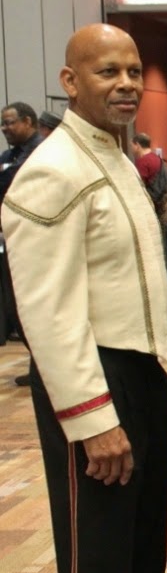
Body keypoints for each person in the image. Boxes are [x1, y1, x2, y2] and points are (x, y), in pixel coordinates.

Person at [0, 24, 167, 573]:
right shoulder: (54, 169)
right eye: (107, 71)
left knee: (139, 551)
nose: (125, 84)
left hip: (140, 372)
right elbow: (47, 311)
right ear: (70, 81)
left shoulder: (112, 156)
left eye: (133, 70)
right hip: (95, 378)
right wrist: (91, 417)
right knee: (101, 561)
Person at [0, 102, 45, 382]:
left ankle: (45, 368)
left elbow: (14, 179)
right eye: (2, 124)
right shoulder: (9, 154)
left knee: (37, 305)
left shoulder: (42, 151)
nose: (5, 129)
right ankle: (39, 366)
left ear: (28, 122)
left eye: (9, 122)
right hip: (12, 237)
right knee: (17, 306)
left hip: (37, 239)